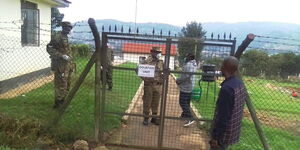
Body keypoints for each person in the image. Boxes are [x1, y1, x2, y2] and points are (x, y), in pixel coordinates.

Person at [209, 56, 248, 150]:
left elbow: (223, 117)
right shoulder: (239, 84)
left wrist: (215, 137)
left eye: (222, 65)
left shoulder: (226, 89)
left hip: (223, 135)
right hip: (233, 130)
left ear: (223, 68)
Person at [47, 21, 75, 109]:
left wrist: (71, 63)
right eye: (68, 28)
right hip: (60, 65)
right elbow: (49, 48)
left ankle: (63, 100)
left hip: (68, 65)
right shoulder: (57, 37)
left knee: (67, 83)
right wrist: (61, 56)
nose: (69, 30)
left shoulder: (66, 37)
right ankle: (58, 103)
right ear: (63, 28)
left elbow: (67, 50)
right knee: (60, 84)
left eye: (70, 28)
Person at [140, 46, 164, 126]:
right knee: (147, 102)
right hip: (149, 85)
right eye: (156, 52)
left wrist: (163, 79)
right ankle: (146, 118)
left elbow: (163, 72)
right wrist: (145, 79)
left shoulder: (161, 62)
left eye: (159, 52)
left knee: (156, 102)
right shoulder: (146, 61)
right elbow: (139, 71)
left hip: (158, 85)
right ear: (152, 52)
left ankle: (154, 118)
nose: (158, 54)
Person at [176, 53, 197, 127]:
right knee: (187, 101)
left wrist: (178, 80)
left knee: (182, 102)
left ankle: (190, 118)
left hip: (186, 86)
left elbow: (186, 76)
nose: (185, 58)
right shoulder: (194, 64)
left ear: (189, 57)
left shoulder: (189, 65)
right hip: (190, 85)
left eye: (186, 56)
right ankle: (184, 115)